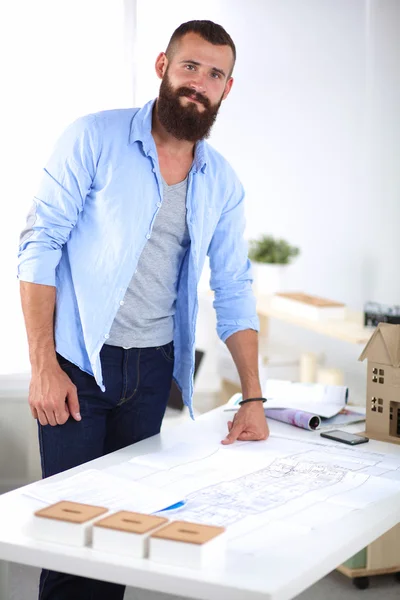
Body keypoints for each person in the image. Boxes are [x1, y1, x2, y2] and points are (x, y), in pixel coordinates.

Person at [18, 19, 269, 600]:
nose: (199, 83)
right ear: (162, 66)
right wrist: (42, 366)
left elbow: (233, 286)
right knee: (72, 537)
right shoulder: (94, 137)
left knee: (123, 540)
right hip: (78, 363)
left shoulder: (222, 182)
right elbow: (40, 245)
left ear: (227, 89)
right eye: (190, 67)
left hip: (153, 371)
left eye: (214, 75)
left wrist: (253, 397)